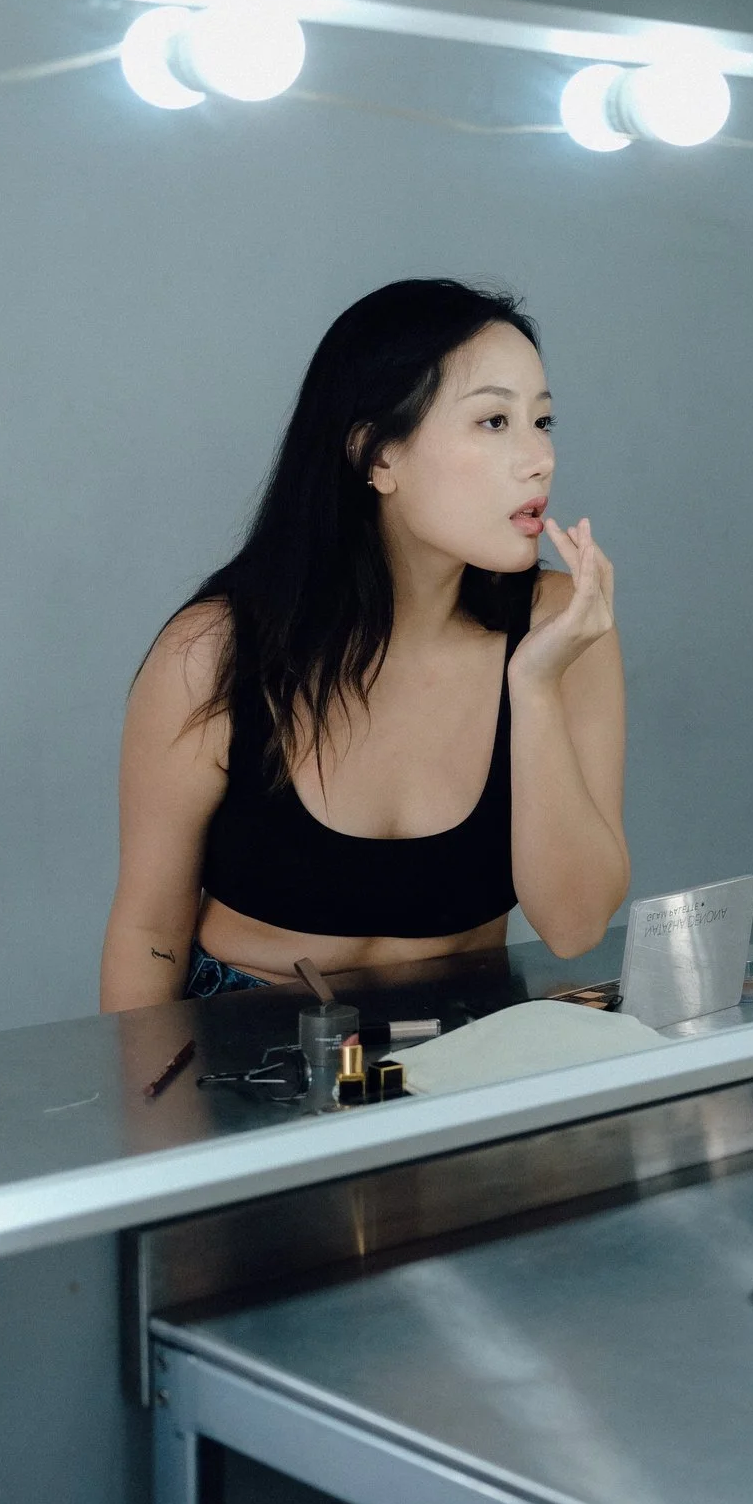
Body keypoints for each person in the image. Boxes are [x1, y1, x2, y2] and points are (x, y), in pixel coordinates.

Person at [100, 279, 628, 1009]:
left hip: (466, 1045)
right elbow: (147, 928)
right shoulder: (214, 651)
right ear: (377, 456)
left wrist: (534, 687)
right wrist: (155, 1116)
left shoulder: (564, 625)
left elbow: (575, 927)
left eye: (543, 421)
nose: (539, 458)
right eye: (494, 422)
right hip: (246, 1051)